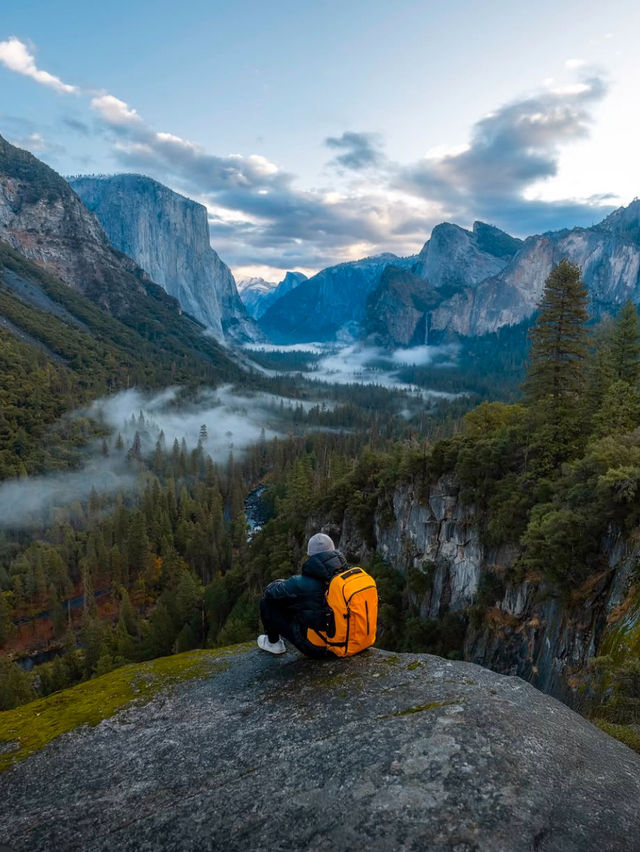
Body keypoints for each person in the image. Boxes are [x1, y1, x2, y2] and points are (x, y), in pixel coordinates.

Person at [257, 532, 347, 658]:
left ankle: (274, 643)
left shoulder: (301, 584)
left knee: (267, 603)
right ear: (333, 552)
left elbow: (269, 592)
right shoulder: (347, 577)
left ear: (309, 556)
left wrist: (281, 583)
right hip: (349, 641)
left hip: (321, 648)